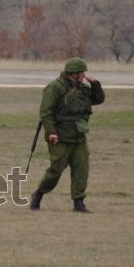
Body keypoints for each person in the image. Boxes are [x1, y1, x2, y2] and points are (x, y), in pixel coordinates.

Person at [30, 57, 105, 213]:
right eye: (82, 73)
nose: (84, 75)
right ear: (75, 73)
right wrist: (52, 132)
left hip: (79, 137)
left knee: (81, 170)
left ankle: (79, 203)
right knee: (55, 171)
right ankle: (39, 194)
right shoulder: (55, 87)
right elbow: (46, 113)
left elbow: (98, 99)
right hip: (60, 137)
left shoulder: (82, 88)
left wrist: (95, 84)